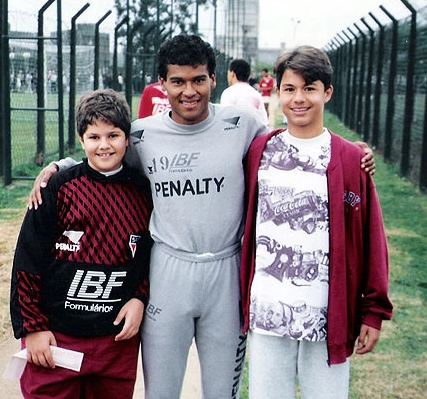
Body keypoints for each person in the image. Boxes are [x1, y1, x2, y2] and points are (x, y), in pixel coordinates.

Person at [29, 35, 376, 399]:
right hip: (169, 272)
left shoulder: (242, 125)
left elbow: (292, 141)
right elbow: (103, 154)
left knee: (221, 392)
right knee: (160, 392)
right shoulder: (144, 134)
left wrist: (354, 152)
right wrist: (59, 165)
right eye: (177, 81)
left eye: (198, 79)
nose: (189, 91)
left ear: (214, 79)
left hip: (225, 274)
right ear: (162, 85)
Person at [239, 46, 393, 399]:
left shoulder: (351, 160)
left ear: (327, 92)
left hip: (327, 317)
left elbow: (372, 240)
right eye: (290, 89)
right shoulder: (259, 152)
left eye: (309, 88)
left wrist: (373, 313)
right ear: (277, 92)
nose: (299, 99)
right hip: (268, 314)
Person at [10, 89, 153, 399]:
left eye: (113, 135)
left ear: (127, 139)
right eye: (94, 136)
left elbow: (149, 257)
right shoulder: (59, 187)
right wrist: (32, 327)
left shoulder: (142, 192)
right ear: (81, 138)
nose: (104, 145)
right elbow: (27, 260)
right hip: (57, 339)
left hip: (115, 341)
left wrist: (139, 297)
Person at [221, 59, 269, 128]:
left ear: (232, 74)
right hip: (256, 136)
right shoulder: (256, 94)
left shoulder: (229, 93)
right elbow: (264, 122)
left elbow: (226, 120)